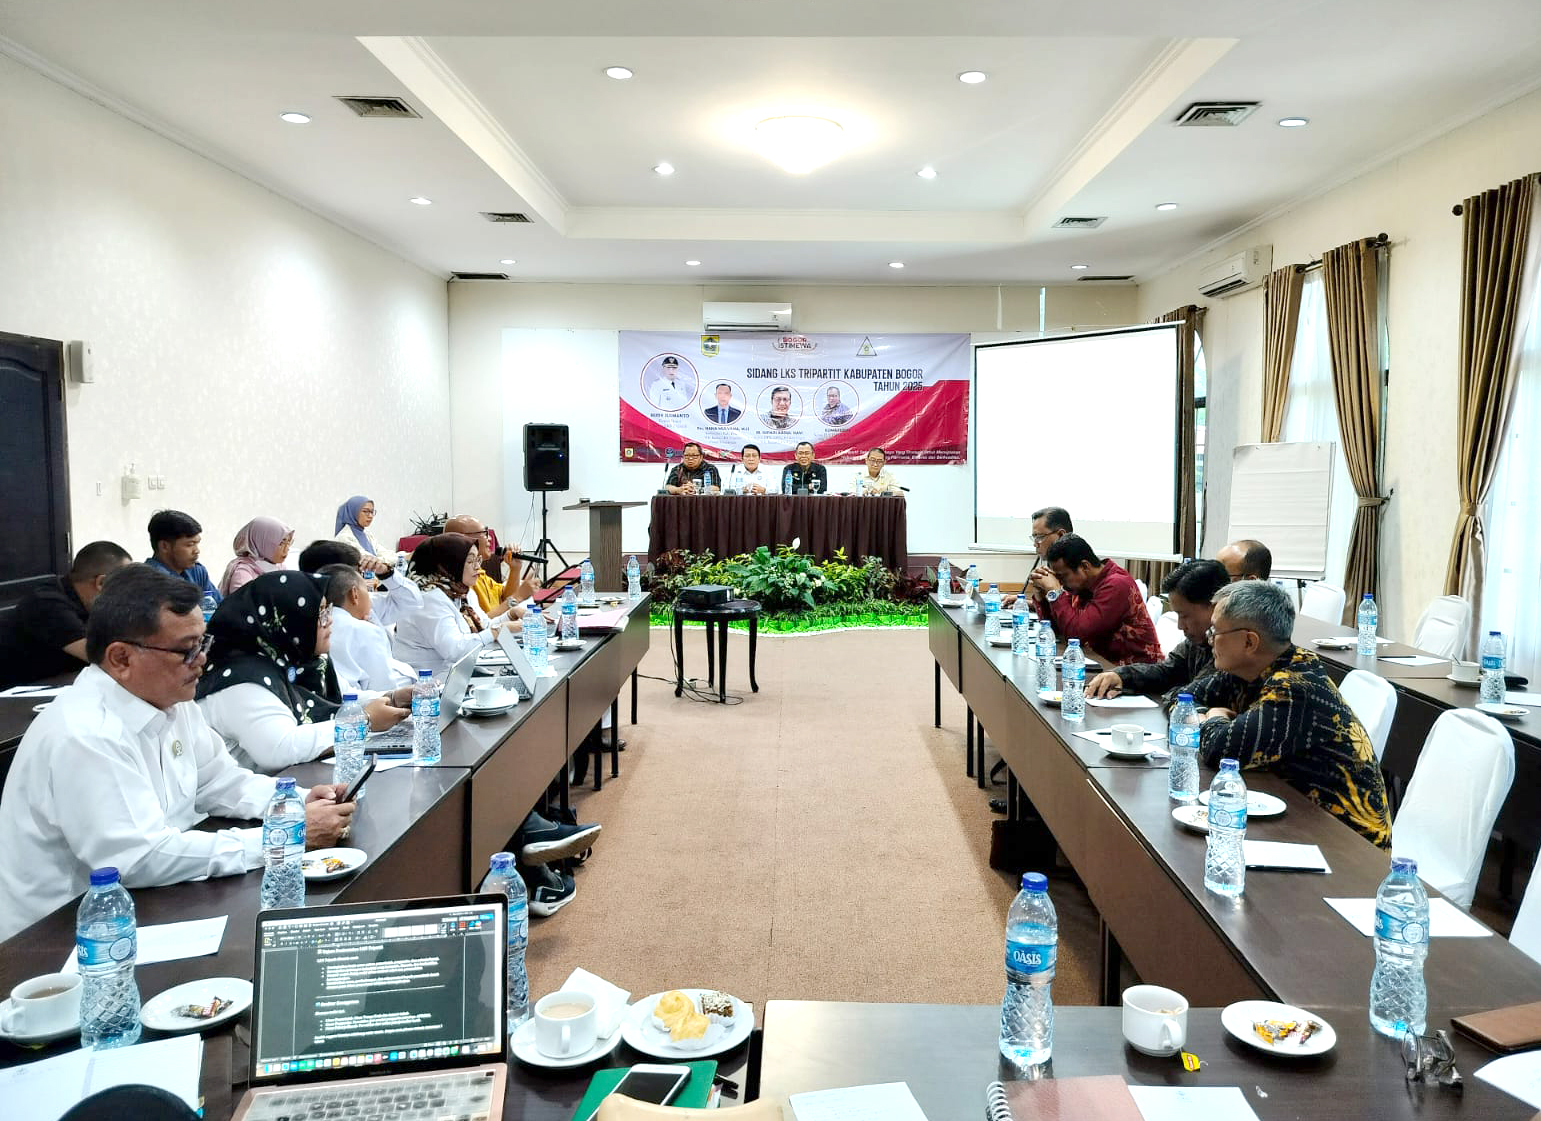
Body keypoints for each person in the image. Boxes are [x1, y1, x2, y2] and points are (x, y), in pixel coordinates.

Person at [0, 565, 354, 941]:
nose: (201, 660)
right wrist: (282, 838)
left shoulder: (172, 699)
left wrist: (294, 804)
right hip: (57, 941)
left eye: (204, 643)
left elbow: (219, 781)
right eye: (186, 650)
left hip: (145, 902)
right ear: (121, 658)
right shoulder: (85, 734)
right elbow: (140, 858)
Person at [1189, 580, 1391, 848]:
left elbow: (1221, 751)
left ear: (1249, 641)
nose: (1209, 639)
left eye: (1216, 631)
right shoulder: (1246, 670)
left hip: (1347, 847)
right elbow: (1180, 701)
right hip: (1297, 819)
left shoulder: (1297, 686)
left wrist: (1213, 716)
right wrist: (1210, 718)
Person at [197, 572, 409, 772]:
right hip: (248, 801)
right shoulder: (242, 679)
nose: (330, 621)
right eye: (321, 614)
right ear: (289, 619)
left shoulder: (298, 662)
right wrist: (364, 721)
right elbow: (279, 748)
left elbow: (345, 698)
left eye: (329, 611)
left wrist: (393, 698)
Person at [1087, 559, 1229, 705]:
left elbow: (1189, 697)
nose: (1180, 626)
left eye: (1185, 616)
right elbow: (1167, 672)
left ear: (1215, 606)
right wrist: (1121, 676)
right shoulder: (1197, 641)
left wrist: (1172, 694)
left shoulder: (1230, 649)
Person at [0, 541, 132, 686]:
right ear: (101, 583)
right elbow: (104, 658)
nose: (127, 594)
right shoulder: (47, 603)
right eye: (124, 585)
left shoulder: (89, 602)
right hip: (14, 696)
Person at [1031, 534, 1161, 665]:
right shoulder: (1082, 584)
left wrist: (1056, 592)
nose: (1061, 583)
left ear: (1085, 566)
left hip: (1134, 673)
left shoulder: (1117, 585)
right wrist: (1041, 596)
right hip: (1101, 665)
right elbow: (1059, 631)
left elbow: (1076, 635)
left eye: (1063, 576)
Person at [393, 533, 511, 675]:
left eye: (478, 560)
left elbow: (484, 625)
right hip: (425, 684)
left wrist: (511, 615)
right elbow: (454, 649)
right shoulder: (427, 599)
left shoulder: (461, 591)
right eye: (470, 561)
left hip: (456, 674)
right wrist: (496, 631)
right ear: (447, 564)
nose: (478, 567)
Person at [316, 564, 417, 695]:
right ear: (354, 594)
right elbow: (385, 688)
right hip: (361, 706)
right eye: (366, 590)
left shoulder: (316, 625)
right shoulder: (364, 629)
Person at [298, 538, 422, 627]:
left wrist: (386, 573)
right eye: (358, 572)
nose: (362, 579)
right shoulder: (321, 626)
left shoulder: (364, 602)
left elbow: (412, 603)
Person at [443, 515, 540, 618]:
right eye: (485, 533)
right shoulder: (460, 579)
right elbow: (479, 624)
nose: (490, 539)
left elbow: (504, 598)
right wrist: (518, 597)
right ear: (463, 538)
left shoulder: (479, 572)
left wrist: (515, 569)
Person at [145, 509, 221, 602]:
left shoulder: (196, 571)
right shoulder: (149, 581)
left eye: (197, 543)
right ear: (164, 546)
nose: (196, 551)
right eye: (190, 544)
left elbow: (221, 608)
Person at [1003, 506, 1073, 608]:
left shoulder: (1077, 567)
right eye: (1034, 537)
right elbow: (1056, 608)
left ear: (1061, 535)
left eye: (1039, 537)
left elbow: (1075, 614)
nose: (1035, 544)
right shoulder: (1053, 564)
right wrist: (1027, 603)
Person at [218, 516, 294, 596]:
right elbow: (244, 604)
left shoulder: (281, 567)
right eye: (281, 543)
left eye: (289, 542)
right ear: (261, 543)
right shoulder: (243, 572)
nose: (287, 549)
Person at [335, 495, 387, 564]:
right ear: (353, 512)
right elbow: (368, 561)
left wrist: (401, 556)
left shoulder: (367, 534)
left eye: (372, 512)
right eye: (365, 511)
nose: (370, 516)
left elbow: (383, 552)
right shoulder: (344, 537)